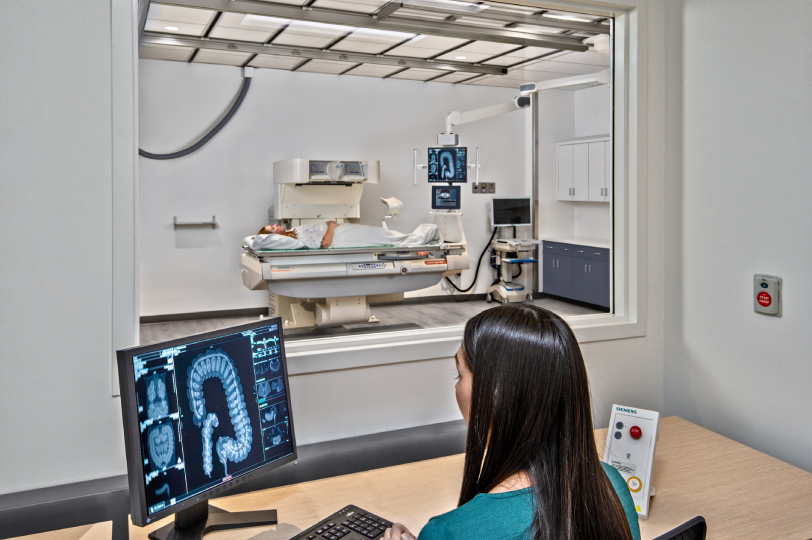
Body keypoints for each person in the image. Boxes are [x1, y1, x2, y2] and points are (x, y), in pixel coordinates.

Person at [384, 304, 641, 540]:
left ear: (495, 397)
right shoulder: (612, 485)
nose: (457, 385)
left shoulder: (449, 531)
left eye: (459, 374)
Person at [256, 221, 438, 249]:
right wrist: (332, 226)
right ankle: (422, 237)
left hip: (346, 231)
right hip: (344, 237)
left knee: (384, 234)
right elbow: (325, 243)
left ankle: (418, 236)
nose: (275, 225)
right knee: (387, 238)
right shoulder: (295, 240)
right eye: (272, 228)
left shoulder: (293, 231)